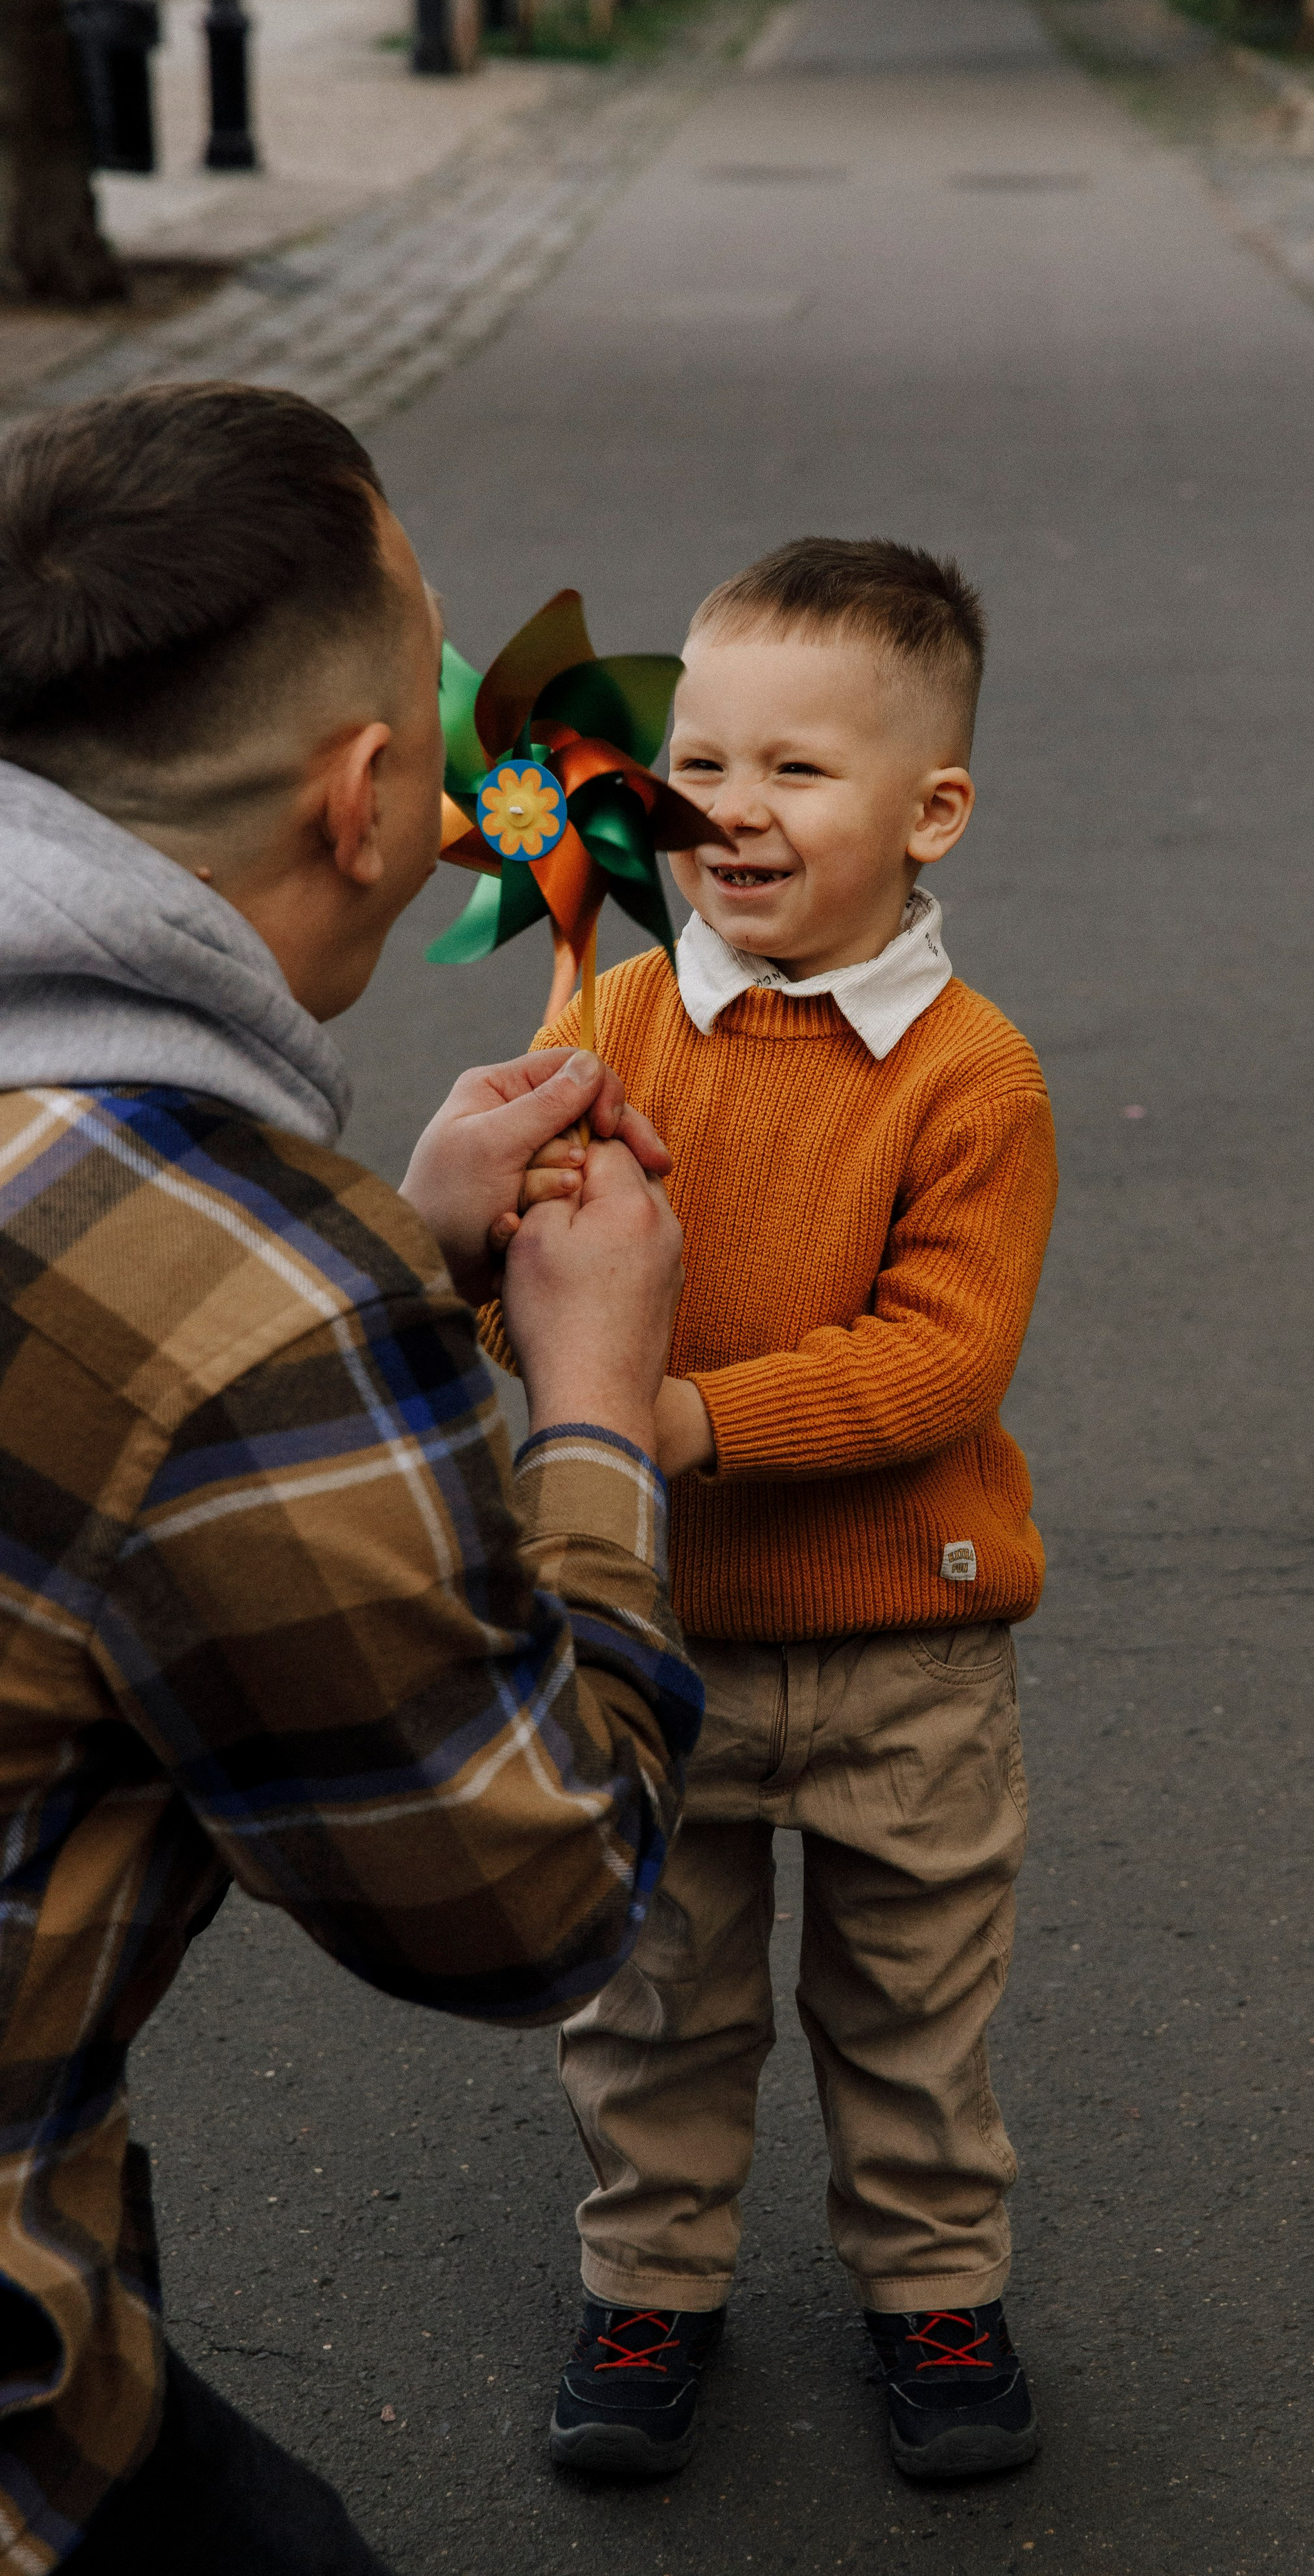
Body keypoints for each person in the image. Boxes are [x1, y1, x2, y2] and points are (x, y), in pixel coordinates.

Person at [0, 382, 699, 2575]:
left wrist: (371, 1250)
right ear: (376, 796)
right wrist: (586, 1402)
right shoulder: (249, 1309)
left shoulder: (210, 1264)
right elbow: (528, 1896)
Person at [487, 537, 1058, 2482]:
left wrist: (673, 1412)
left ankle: (935, 2292)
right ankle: (652, 2282)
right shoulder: (608, 1021)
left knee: (911, 2007)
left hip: (909, 1640)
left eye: (799, 770)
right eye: (702, 760)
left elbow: (935, 1365)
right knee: (655, 2003)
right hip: (664, 1630)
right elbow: (532, 1314)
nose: (731, 805)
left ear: (932, 814)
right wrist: (525, 1258)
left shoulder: (974, 1081)